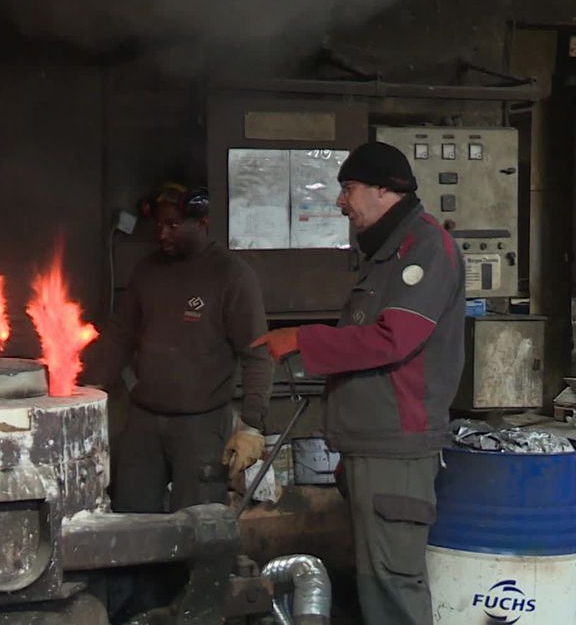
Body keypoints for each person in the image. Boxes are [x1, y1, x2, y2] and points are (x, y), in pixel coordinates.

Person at [253, 142, 465, 625]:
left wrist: (303, 338)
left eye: (348, 189)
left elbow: (394, 338)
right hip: (372, 443)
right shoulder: (388, 252)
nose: (340, 202)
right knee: (376, 584)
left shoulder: (428, 248)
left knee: (392, 586)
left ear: (385, 190)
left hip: (398, 446)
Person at [87, 182, 274, 514]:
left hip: (201, 426)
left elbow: (258, 353)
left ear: (202, 223)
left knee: (200, 523)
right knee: (132, 517)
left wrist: (251, 425)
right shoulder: (148, 272)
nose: (162, 234)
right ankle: (143, 570)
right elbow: (120, 336)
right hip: (143, 421)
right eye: (159, 224)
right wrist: (86, 383)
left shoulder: (231, 276)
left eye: (173, 225)